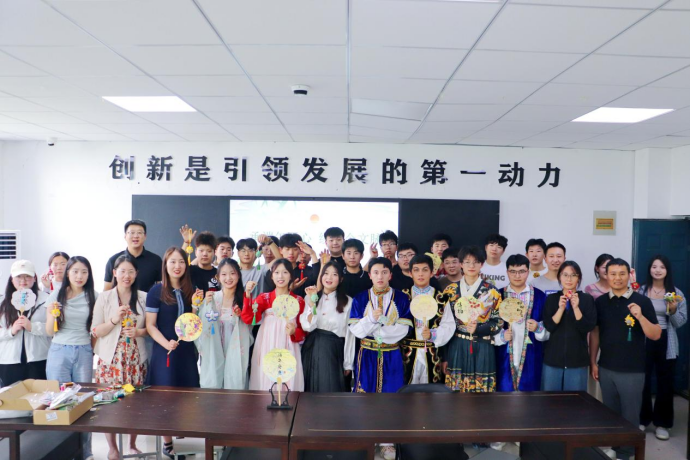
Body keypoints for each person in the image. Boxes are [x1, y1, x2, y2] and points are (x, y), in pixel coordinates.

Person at [590, 258, 661, 460]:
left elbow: (656, 334)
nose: (617, 278)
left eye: (622, 274)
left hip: (632, 369)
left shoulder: (642, 301)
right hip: (606, 367)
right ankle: (616, 446)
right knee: (611, 412)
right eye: (613, 274)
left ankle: (627, 452)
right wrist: (593, 361)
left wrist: (640, 317)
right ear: (606, 275)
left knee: (630, 414)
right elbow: (595, 333)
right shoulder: (600, 302)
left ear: (629, 275)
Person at [349, 256, 412, 460]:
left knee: (391, 395)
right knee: (365, 394)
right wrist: (370, 319)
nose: (380, 276)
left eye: (384, 272)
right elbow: (355, 330)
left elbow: (403, 329)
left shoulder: (401, 298)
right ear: (370, 275)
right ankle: (366, 437)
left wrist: (377, 333)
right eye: (376, 272)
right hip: (367, 354)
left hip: (391, 353)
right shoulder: (360, 298)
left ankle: (387, 441)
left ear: (390, 275)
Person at [91, 255, 148, 460]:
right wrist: (114, 319)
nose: (126, 276)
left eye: (131, 271)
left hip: (135, 359)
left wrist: (139, 332)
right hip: (110, 360)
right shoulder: (104, 297)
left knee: (135, 402)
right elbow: (96, 330)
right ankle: (112, 448)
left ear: (136, 274)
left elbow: (150, 328)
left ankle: (132, 444)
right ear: (114, 273)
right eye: (122, 271)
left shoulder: (143, 297)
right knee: (109, 403)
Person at [145, 247, 199, 459]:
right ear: (165, 265)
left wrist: (196, 306)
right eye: (172, 262)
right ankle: (167, 443)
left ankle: (183, 437)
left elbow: (193, 322)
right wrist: (166, 344)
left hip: (186, 351)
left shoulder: (191, 290)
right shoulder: (156, 291)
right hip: (164, 351)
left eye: (181, 262)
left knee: (186, 395)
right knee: (165, 397)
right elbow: (150, 325)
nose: (177, 266)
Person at [45, 256, 98, 460]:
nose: (79, 276)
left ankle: (86, 452)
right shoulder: (57, 295)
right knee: (58, 401)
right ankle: (62, 453)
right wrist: (53, 314)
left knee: (83, 402)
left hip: (83, 350)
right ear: (68, 273)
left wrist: (90, 350)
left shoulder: (93, 296)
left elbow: (95, 330)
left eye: (84, 272)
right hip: (59, 351)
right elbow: (50, 331)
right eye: (75, 271)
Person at [437, 245, 503, 392]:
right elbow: (444, 325)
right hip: (457, 344)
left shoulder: (491, 291)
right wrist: (445, 356)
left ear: (482, 264)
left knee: (482, 394)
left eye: (476, 262)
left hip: (483, 345)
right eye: (467, 262)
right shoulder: (450, 291)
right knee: (456, 393)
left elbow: (498, 321)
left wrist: (479, 329)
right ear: (461, 264)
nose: (471, 266)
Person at [638, 255, 687, 440]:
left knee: (665, 382)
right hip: (644, 339)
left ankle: (662, 424)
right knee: (642, 380)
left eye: (662, 267)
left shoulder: (676, 293)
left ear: (667, 271)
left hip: (667, 340)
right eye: (654, 266)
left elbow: (680, 321)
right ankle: (642, 419)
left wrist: (672, 310)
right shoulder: (641, 291)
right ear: (649, 269)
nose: (657, 270)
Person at [241, 259, 306, 391]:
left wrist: (294, 332)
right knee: (266, 374)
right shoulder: (264, 298)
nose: (280, 276)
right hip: (267, 343)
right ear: (271, 276)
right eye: (276, 272)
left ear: (291, 276)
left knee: (287, 376)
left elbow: (304, 330)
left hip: (288, 344)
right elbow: (249, 318)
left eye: (285, 272)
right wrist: (247, 295)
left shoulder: (298, 301)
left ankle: (288, 401)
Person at [196, 258, 253, 390]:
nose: (228, 278)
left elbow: (250, 324)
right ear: (217, 277)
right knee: (214, 378)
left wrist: (241, 316)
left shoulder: (244, 299)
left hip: (235, 346)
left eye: (232, 273)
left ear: (239, 275)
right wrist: (207, 305)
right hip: (215, 346)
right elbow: (202, 325)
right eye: (224, 274)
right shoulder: (212, 298)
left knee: (235, 378)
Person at [495, 254, 548, 392]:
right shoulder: (498, 296)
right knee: (503, 393)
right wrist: (501, 336)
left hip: (532, 353)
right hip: (504, 353)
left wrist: (537, 328)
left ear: (528, 272)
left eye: (522, 271)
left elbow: (548, 326)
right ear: (507, 272)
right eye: (513, 271)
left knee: (530, 394)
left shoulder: (540, 296)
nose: (517, 275)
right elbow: (490, 326)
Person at [541, 261, 596, 391]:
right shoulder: (552, 298)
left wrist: (576, 308)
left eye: (573, 275)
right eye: (565, 275)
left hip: (577, 360)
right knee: (550, 400)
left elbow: (587, 327)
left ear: (579, 277)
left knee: (575, 401)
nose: (569, 279)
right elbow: (549, 326)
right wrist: (560, 309)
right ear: (559, 277)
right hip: (553, 359)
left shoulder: (587, 299)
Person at [401, 254, 455, 385]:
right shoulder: (402, 296)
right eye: (416, 270)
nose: (420, 274)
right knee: (406, 392)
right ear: (410, 273)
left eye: (425, 270)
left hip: (432, 354)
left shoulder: (441, 298)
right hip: (406, 354)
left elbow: (448, 325)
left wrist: (433, 334)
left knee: (430, 393)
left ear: (432, 273)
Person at [301, 261, 354, 392]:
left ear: (341, 279)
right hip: (311, 348)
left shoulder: (348, 301)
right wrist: (312, 304)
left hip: (333, 350)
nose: (329, 277)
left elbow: (350, 334)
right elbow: (307, 326)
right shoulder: (310, 298)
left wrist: (348, 363)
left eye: (334, 274)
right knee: (310, 389)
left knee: (331, 387)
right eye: (326, 273)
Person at [0, 260, 50, 386]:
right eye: (19, 276)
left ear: (34, 278)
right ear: (12, 279)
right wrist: (10, 331)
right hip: (9, 360)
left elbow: (53, 330)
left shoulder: (46, 299)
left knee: (39, 396)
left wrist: (32, 327)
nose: (23, 280)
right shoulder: (2, 302)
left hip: (39, 359)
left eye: (28, 276)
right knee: (11, 396)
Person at [104, 220, 162, 292]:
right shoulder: (113, 260)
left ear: (145, 236)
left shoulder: (155, 260)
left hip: (146, 299)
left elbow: (161, 289)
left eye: (139, 233)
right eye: (132, 232)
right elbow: (107, 291)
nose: (136, 236)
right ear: (125, 236)